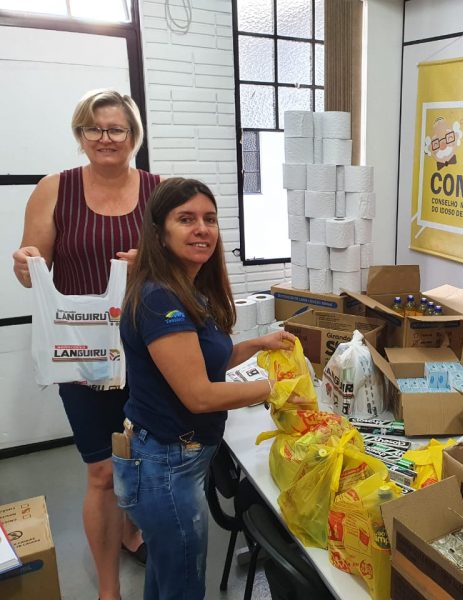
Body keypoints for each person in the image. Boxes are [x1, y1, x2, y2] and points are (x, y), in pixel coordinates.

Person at [113, 177, 297, 599]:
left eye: (209, 219)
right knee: (182, 586)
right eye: (186, 219)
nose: (202, 229)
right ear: (159, 232)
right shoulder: (161, 299)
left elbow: (204, 361)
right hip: (165, 465)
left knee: (166, 577)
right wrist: (274, 388)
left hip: (176, 457)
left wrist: (257, 344)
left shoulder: (187, 289)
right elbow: (198, 394)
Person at [11, 89, 159, 600]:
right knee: (101, 470)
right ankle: (108, 591)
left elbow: (191, 265)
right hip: (84, 354)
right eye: (93, 128)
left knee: (146, 457)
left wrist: (152, 264)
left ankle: (132, 530)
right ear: (80, 134)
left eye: (116, 129)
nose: (105, 138)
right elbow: (33, 270)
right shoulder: (55, 189)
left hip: (151, 349)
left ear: (133, 136)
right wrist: (26, 263)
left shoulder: (161, 193)